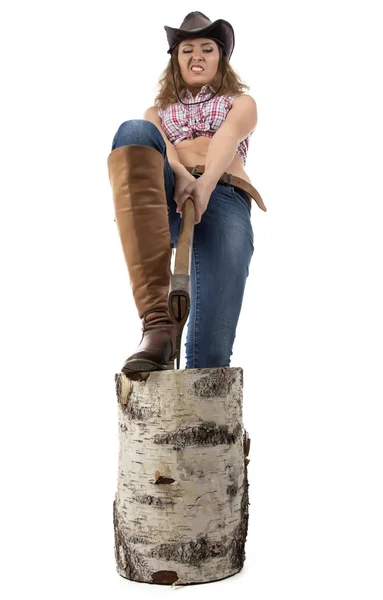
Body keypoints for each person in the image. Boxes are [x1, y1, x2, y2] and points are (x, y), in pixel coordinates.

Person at [107, 11, 267, 376]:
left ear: (220, 58)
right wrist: (181, 177)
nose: (197, 55)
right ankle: (157, 326)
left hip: (222, 193)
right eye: (187, 49)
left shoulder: (239, 102)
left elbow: (226, 139)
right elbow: (163, 148)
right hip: (166, 192)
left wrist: (206, 182)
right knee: (133, 132)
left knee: (209, 360)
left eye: (207, 49)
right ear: (176, 61)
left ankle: (202, 418)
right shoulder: (157, 112)